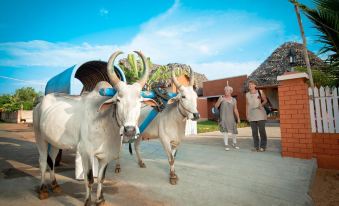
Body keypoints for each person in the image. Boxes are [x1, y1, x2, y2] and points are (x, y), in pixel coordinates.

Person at [215, 84, 241, 151]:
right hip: (223, 118)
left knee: (234, 131)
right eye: (225, 90)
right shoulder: (221, 98)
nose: (226, 91)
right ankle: (226, 144)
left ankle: (234, 143)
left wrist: (238, 118)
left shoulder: (234, 100)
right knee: (225, 131)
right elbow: (216, 106)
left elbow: (235, 109)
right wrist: (219, 101)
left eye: (227, 90)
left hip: (231, 118)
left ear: (231, 91)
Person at [246, 79, 268, 152]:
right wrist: (247, 114)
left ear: (255, 85)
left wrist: (260, 105)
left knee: (262, 131)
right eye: (249, 85)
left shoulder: (260, 91)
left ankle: (263, 146)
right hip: (252, 114)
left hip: (260, 113)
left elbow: (265, 100)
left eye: (252, 84)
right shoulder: (247, 94)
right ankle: (256, 147)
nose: (250, 86)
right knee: (254, 132)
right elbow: (247, 104)